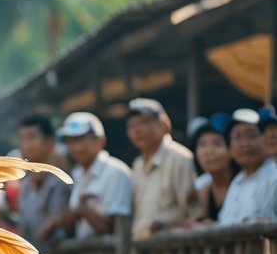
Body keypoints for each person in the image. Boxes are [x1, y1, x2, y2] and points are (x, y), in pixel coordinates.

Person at [125, 97, 195, 238]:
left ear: (164, 125)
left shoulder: (180, 159)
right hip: (143, 251)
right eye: (131, 125)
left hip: (173, 250)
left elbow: (193, 216)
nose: (137, 130)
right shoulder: (137, 164)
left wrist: (163, 226)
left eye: (144, 122)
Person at [56, 112, 133, 238]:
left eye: (80, 139)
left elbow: (115, 228)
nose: (76, 147)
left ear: (99, 141)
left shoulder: (115, 172)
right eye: (69, 141)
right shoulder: (77, 174)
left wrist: (84, 210)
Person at [14, 114, 72, 252]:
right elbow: (24, 229)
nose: (26, 144)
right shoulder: (26, 185)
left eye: (31, 137)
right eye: (22, 138)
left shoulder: (63, 180)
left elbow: (61, 226)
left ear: (49, 142)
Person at [217, 108, 277, 225]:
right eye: (238, 138)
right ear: (230, 150)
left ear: (265, 140)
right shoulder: (237, 182)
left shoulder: (274, 177)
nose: (245, 144)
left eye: (252, 136)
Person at [185, 116, 239, 226]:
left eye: (217, 144)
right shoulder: (201, 190)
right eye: (202, 145)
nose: (208, 151)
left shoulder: (242, 183)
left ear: (231, 149)